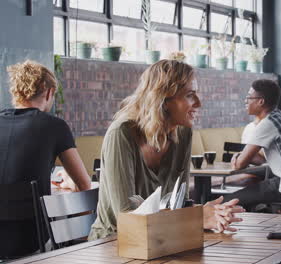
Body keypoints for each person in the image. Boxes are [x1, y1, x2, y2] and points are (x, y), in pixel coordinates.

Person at [88, 60, 244, 240]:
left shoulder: (183, 133)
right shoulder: (121, 134)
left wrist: (214, 215)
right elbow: (126, 218)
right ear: (163, 99)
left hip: (161, 241)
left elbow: (179, 204)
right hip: (113, 243)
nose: (198, 103)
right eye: (190, 95)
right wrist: (196, 218)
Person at [0, 60, 91, 258]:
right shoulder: (54, 126)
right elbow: (84, 184)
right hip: (32, 240)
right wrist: (69, 181)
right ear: (49, 92)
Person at [226, 79, 281, 208]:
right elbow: (261, 159)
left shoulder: (267, 123)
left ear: (261, 101)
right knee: (246, 196)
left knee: (228, 201)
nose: (245, 101)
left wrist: (239, 158)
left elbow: (240, 164)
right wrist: (243, 155)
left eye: (248, 97)